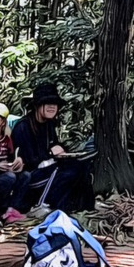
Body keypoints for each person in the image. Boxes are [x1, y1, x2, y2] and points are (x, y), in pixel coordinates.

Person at [12, 83, 94, 215]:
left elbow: (55, 145)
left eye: (54, 103)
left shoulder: (49, 125)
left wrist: (61, 151)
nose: (52, 107)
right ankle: (44, 205)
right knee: (64, 172)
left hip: (49, 169)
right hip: (31, 177)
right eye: (47, 103)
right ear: (37, 105)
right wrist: (50, 153)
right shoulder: (23, 127)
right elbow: (29, 161)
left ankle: (84, 208)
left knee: (81, 166)